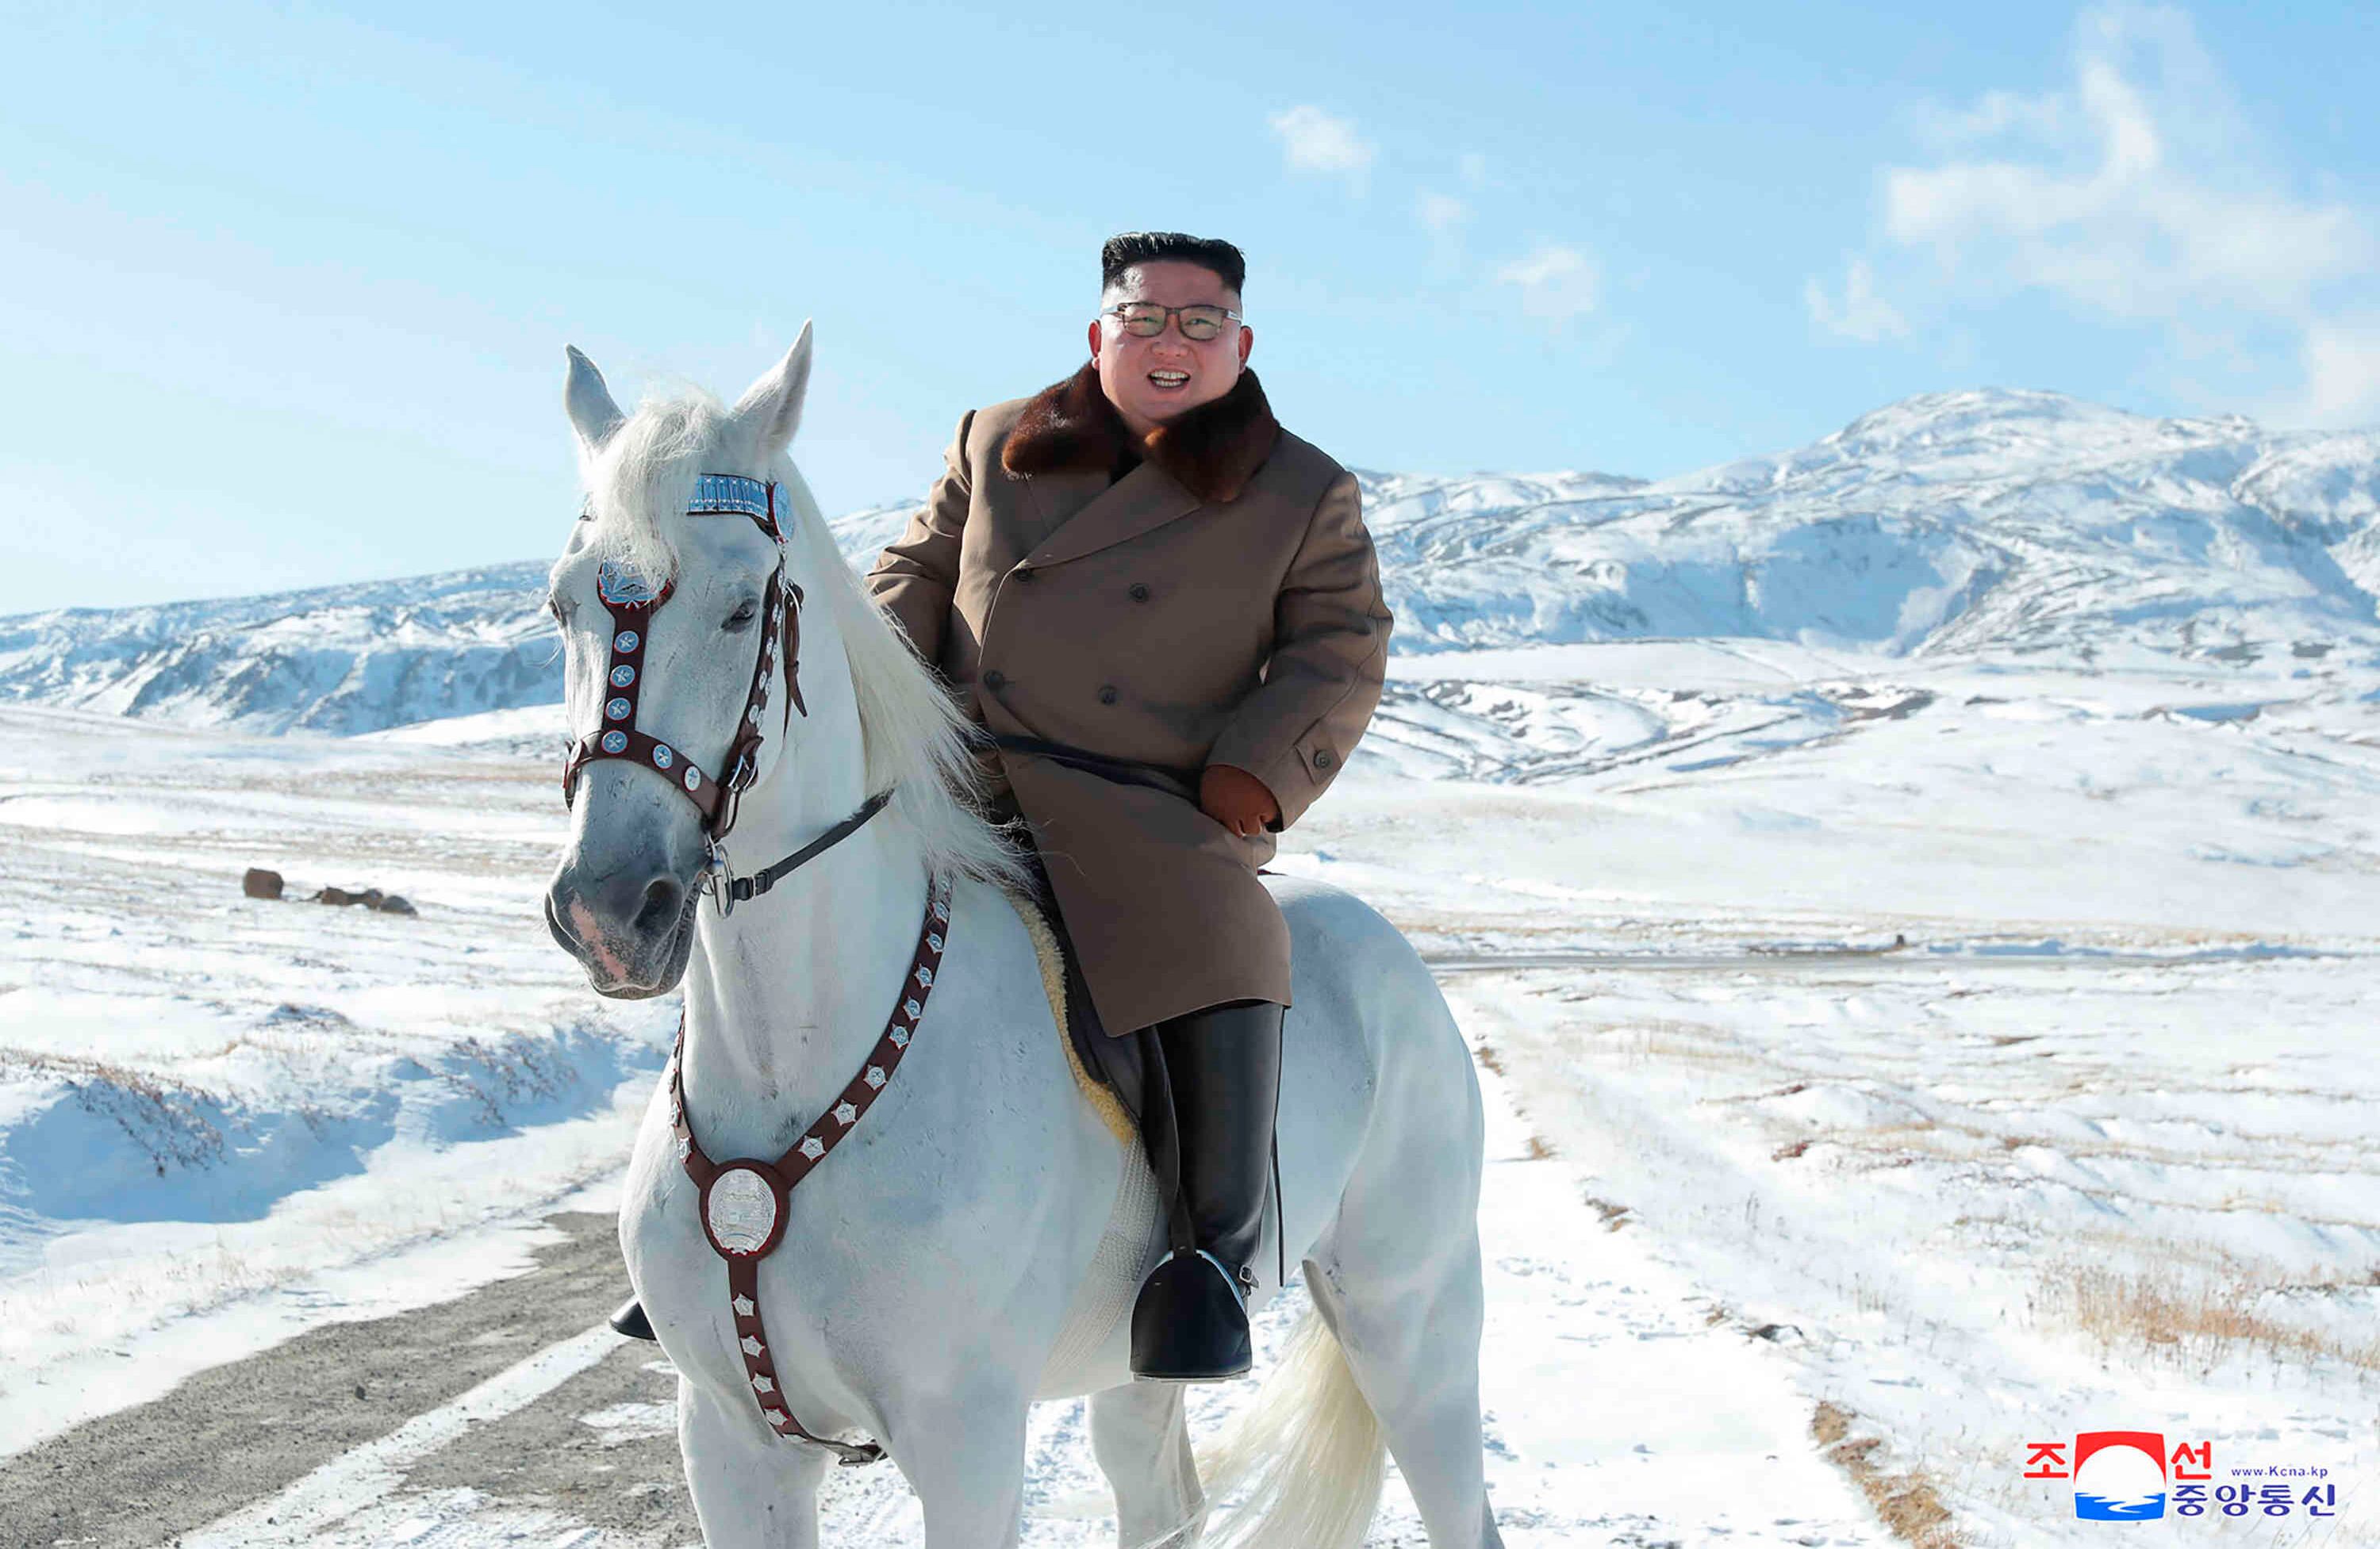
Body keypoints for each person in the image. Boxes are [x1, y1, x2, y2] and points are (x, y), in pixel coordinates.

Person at [863, 232, 1392, 1382]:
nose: (1171, 342)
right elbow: (914, 569)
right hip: (958, 774)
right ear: (1099, 333)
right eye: (1145, 318)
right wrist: (877, 682)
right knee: (784, 879)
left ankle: (1207, 1263)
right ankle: (723, 1215)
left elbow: (1342, 645)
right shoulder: (995, 437)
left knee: (1224, 933)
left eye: (1202, 323)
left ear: (1241, 344)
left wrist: (1255, 773)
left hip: (1148, 799)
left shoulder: (1301, 489)